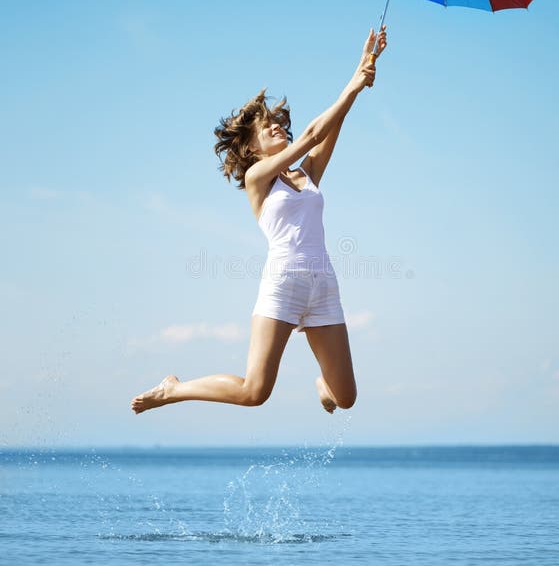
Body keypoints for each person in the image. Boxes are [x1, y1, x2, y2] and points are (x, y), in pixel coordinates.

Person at [130, 26, 387, 415]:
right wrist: (353, 85)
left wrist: (364, 66)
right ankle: (173, 389)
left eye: (277, 120)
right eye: (265, 126)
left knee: (346, 398)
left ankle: (323, 382)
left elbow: (330, 128)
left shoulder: (307, 176)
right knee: (255, 391)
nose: (276, 125)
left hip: (323, 286)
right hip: (283, 284)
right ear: (251, 148)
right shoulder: (258, 180)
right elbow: (313, 134)